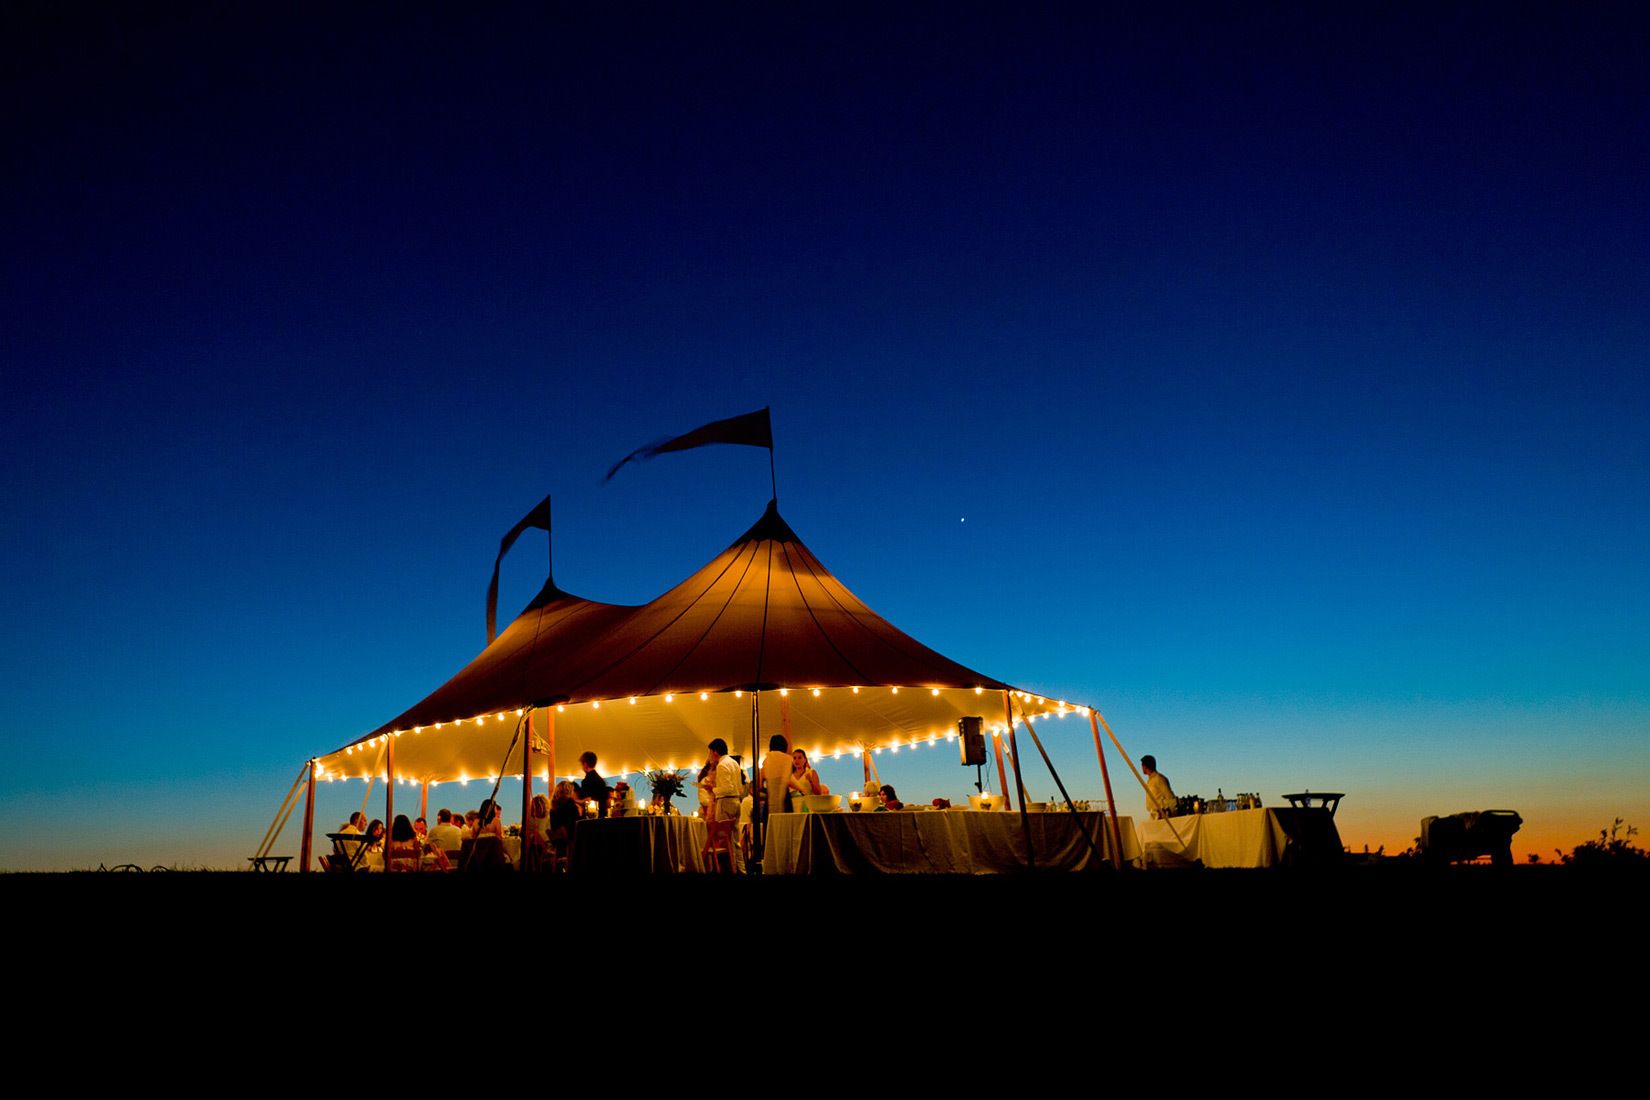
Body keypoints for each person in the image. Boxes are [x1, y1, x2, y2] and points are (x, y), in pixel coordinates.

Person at [761, 734, 791, 815]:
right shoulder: (786, 759)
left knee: (770, 824)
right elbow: (790, 780)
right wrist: (802, 789)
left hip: (770, 798)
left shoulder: (766, 760)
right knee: (785, 825)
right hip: (785, 798)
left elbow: (760, 783)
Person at [1142, 755, 1177, 820]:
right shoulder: (1149, 781)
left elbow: (1170, 798)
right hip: (1153, 815)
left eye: (1142, 765)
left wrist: (1166, 811)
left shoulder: (1159, 779)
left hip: (1162, 815)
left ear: (1146, 766)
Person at [578, 751, 610, 818]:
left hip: (591, 819)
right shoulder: (601, 781)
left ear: (585, 764)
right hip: (602, 817)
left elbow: (587, 800)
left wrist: (574, 800)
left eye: (582, 764)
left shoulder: (586, 781)